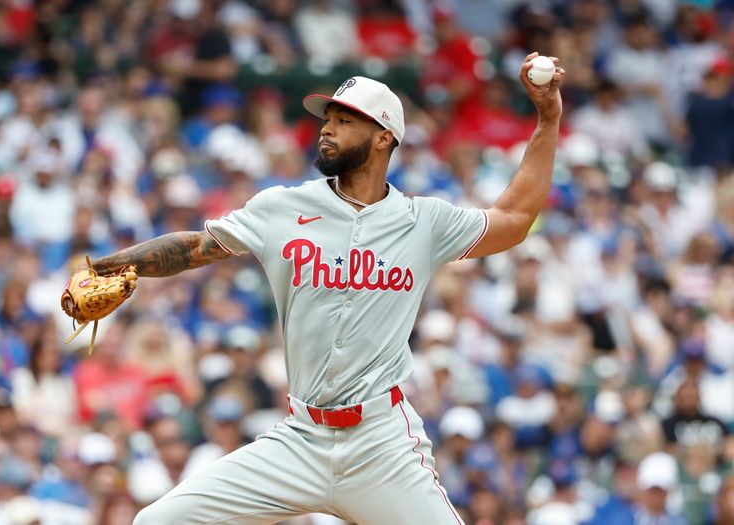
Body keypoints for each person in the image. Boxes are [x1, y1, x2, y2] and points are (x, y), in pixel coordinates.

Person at [87, 52, 564, 524]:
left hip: (382, 444)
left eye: (345, 120)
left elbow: (516, 219)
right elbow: (194, 247)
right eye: (328, 118)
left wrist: (547, 119)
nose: (327, 128)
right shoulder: (280, 208)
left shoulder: (423, 223)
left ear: (383, 138)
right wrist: (111, 268)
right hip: (301, 437)